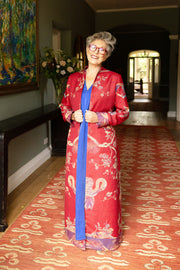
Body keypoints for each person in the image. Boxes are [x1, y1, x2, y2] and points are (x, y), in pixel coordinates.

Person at [60, 31, 129, 251]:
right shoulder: (73, 78)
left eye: (102, 49)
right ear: (87, 49)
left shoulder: (114, 79)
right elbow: (63, 106)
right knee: (76, 186)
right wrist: (71, 115)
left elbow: (124, 111)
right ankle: (78, 232)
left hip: (101, 144)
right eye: (93, 47)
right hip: (76, 141)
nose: (96, 52)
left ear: (107, 54)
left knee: (103, 189)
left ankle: (104, 236)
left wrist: (100, 117)